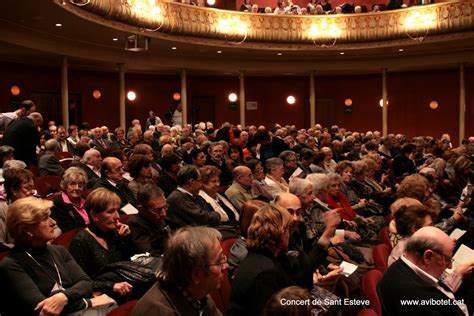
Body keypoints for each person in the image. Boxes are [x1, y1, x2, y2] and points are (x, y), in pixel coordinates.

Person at [0, 196, 115, 316]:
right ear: (27, 229)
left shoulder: (59, 251)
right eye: (45, 218)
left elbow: (86, 283)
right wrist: (89, 302)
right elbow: (44, 309)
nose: (53, 222)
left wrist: (63, 296)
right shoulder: (11, 264)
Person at [226, 204, 340, 316]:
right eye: (287, 230)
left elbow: (303, 268)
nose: (289, 234)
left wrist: (329, 230)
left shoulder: (272, 255)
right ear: (278, 233)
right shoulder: (264, 272)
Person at [377, 226, 469, 315]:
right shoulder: (418, 299)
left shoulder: (398, 266)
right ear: (428, 257)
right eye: (447, 260)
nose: (450, 266)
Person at [132, 227, 225, 316]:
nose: (225, 266)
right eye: (219, 261)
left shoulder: (199, 293)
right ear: (196, 275)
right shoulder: (157, 311)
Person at [69, 188, 139, 299]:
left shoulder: (115, 233)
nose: (117, 216)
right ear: (94, 215)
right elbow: (79, 283)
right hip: (102, 296)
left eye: (117, 210)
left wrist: (127, 239)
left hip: (127, 288)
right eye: (110, 212)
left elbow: (131, 263)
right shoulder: (81, 241)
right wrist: (111, 286)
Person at [166, 165, 220, 229]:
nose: (201, 184)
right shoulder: (177, 198)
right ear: (191, 182)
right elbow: (203, 219)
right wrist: (217, 215)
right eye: (200, 180)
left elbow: (208, 213)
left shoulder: (193, 195)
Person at [126, 184, 170, 257]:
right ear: (141, 208)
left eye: (165, 207)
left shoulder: (158, 216)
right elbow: (149, 256)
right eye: (156, 210)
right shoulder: (134, 224)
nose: (164, 214)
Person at [0, 168, 36, 249]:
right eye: (27, 188)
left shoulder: (35, 205)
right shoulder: (2, 210)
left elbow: (56, 228)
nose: (33, 192)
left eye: (33, 188)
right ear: (14, 190)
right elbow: (1, 244)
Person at [51, 167, 89, 234]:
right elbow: (69, 230)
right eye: (72, 184)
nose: (77, 188)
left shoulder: (86, 200)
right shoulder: (59, 203)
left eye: (80, 184)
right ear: (65, 185)